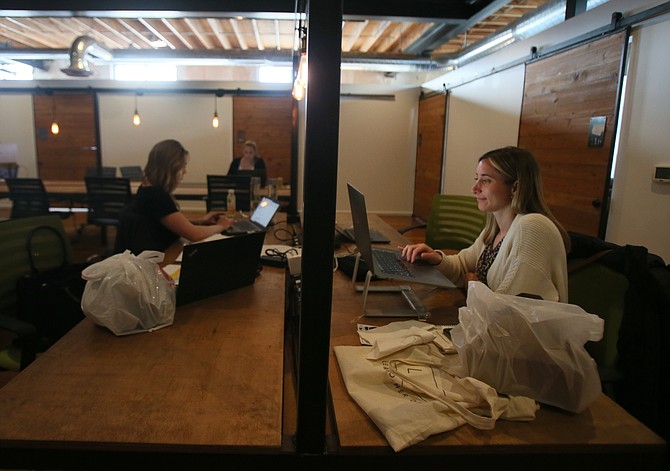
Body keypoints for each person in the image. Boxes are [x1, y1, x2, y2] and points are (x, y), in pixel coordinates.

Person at [401, 146, 570, 302]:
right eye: (477, 179)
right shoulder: (494, 230)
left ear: (515, 188)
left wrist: (474, 286)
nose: (474, 189)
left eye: (486, 180)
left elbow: (514, 311)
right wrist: (436, 259)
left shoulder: (532, 227)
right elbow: (462, 266)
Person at [114, 139, 236, 254]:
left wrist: (201, 222)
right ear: (171, 167)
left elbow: (162, 222)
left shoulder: (146, 189)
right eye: (183, 166)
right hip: (158, 262)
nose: (184, 171)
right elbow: (194, 234)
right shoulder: (157, 195)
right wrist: (222, 226)